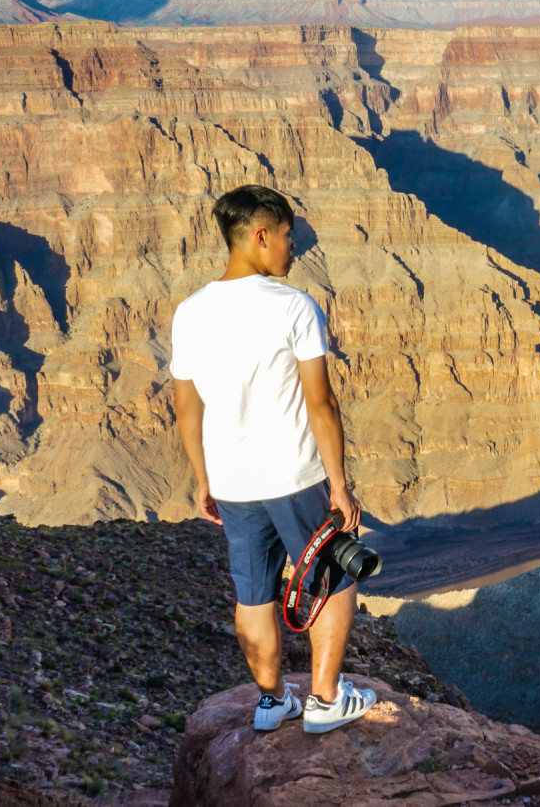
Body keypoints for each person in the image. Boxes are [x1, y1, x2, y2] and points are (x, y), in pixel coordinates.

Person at [170, 184, 375, 734]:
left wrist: (202, 479)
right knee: (333, 579)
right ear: (260, 237)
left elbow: (187, 408)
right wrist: (339, 484)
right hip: (294, 475)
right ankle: (325, 701)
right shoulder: (294, 307)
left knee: (254, 592)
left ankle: (271, 701)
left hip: (233, 483)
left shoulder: (189, 313)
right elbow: (322, 403)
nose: (293, 247)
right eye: (287, 236)